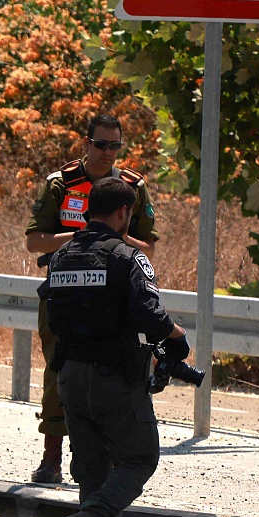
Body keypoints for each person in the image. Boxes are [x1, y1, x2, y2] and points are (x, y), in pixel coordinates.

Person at [38, 177, 181, 517]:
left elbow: (50, 302)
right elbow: (152, 316)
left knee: (92, 469)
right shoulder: (126, 257)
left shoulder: (62, 255)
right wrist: (179, 339)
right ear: (123, 213)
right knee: (139, 457)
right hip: (114, 375)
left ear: (87, 210)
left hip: (69, 375)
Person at [23, 111, 157, 486]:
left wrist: (105, 237)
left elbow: (149, 247)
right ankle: (51, 458)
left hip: (112, 296)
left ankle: (100, 459)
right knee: (59, 370)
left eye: (115, 145)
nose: (108, 152)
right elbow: (35, 241)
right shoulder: (61, 184)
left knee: (112, 372)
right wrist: (82, 235)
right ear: (87, 142)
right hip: (65, 293)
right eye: (101, 144)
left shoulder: (132, 187)